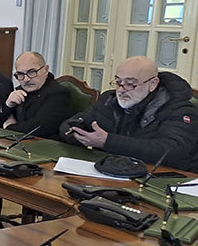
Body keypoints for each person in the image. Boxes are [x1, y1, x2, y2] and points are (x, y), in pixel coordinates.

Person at [0, 52, 74, 232]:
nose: (25, 79)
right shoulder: (20, 90)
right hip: (20, 151)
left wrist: (10, 128)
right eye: (20, 74)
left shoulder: (58, 93)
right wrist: (8, 106)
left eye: (32, 72)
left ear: (46, 69)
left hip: (47, 159)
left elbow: (39, 127)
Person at [59, 56, 198, 172]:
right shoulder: (110, 99)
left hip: (164, 178)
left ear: (153, 84)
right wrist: (75, 132)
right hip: (115, 171)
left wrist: (108, 141)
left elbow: (170, 151)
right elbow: (81, 120)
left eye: (130, 84)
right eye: (118, 82)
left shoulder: (180, 110)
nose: (121, 90)